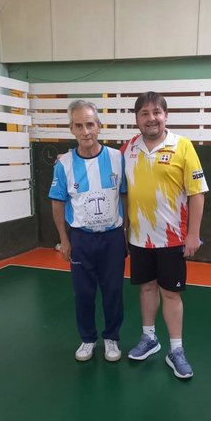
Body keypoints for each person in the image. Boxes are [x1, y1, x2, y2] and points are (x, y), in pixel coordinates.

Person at [121, 91, 208, 379]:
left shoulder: (183, 146)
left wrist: (193, 234)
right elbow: (100, 163)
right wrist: (67, 157)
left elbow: (197, 193)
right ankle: (149, 338)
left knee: (170, 293)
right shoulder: (128, 148)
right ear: (137, 119)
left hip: (172, 238)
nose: (151, 118)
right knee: (146, 288)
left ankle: (176, 350)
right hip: (139, 238)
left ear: (166, 116)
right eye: (144, 113)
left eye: (156, 112)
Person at [49, 99, 127, 363]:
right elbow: (57, 203)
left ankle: (112, 338)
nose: (86, 131)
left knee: (113, 291)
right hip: (81, 239)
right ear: (71, 129)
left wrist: (126, 230)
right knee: (83, 293)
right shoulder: (64, 164)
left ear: (99, 126)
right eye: (79, 126)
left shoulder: (117, 158)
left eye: (90, 124)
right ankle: (88, 339)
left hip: (113, 238)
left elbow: (125, 195)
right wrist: (64, 240)